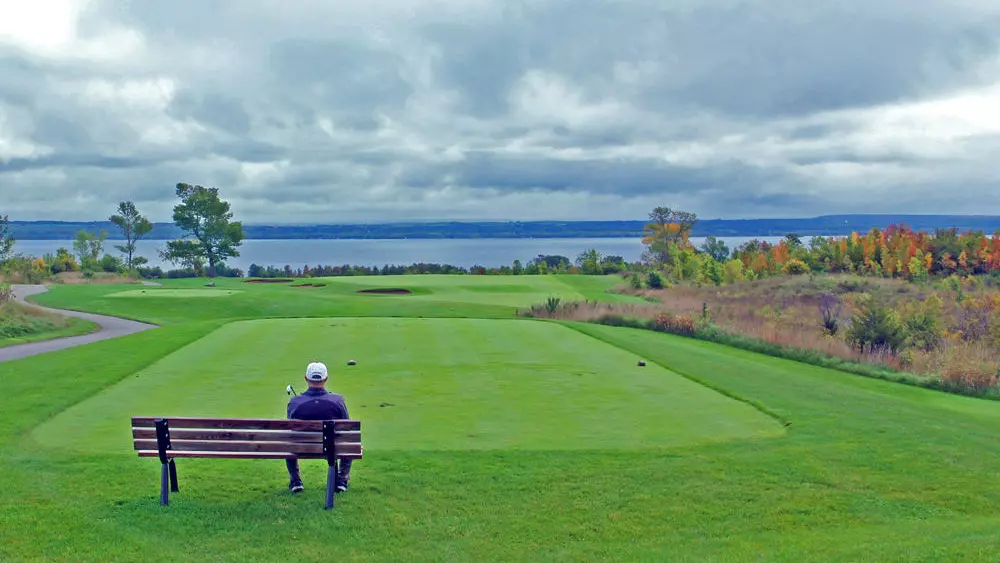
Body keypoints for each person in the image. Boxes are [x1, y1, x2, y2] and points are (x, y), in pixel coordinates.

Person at [285, 361, 352, 494]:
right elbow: (347, 429)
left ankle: (296, 481)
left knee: (289, 442)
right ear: (326, 378)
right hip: (332, 447)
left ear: (306, 378)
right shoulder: (337, 400)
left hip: (301, 447)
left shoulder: (295, 402)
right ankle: (341, 480)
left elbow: (291, 430)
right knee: (349, 442)